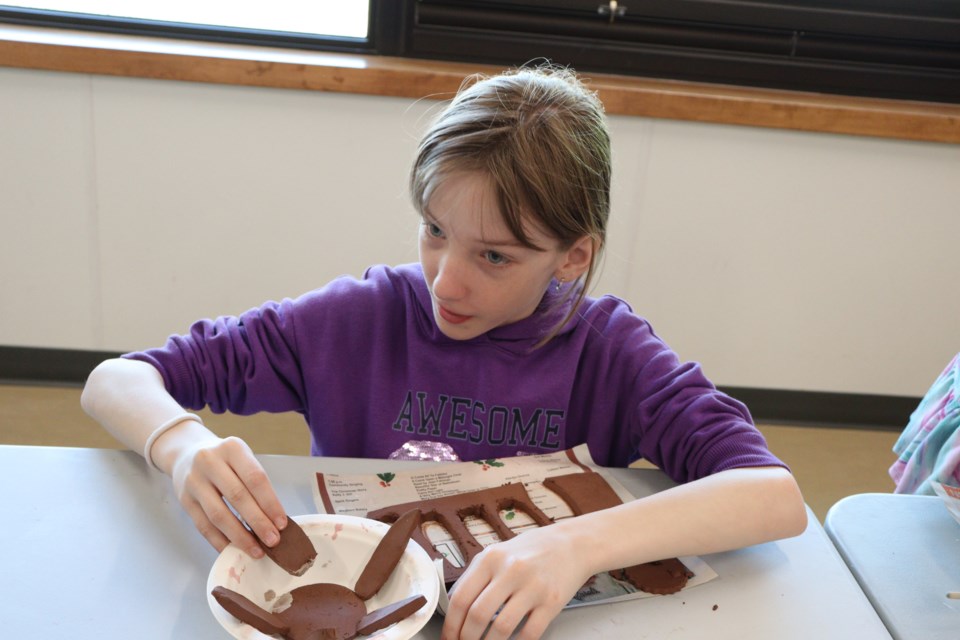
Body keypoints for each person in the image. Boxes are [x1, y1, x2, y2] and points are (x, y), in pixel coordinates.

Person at [81, 64, 807, 640]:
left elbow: (772, 498)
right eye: (434, 231)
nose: (446, 280)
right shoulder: (360, 318)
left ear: (571, 258)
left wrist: (573, 547)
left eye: (493, 256)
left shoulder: (609, 351)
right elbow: (117, 378)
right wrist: (179, 443)